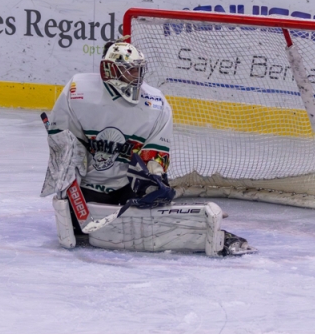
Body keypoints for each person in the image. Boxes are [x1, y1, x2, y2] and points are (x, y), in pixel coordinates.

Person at [43, 41, 253, 256]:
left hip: (127, 190)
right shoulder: (78, 91)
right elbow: (64, 146)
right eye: (130, 69)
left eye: (139, 69)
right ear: (110, 70)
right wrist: (68, 183)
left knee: (148, 223)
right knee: (81, 233)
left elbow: (155, 154)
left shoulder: (155, 103)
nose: (137, 75)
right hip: (86, 189)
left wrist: (153, 181)